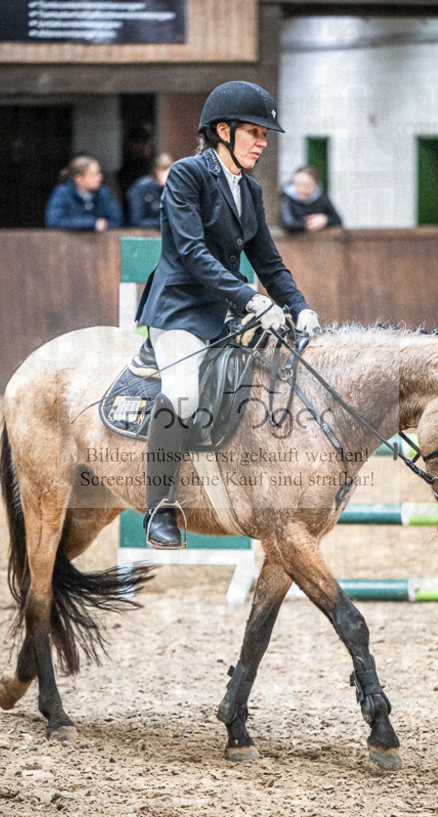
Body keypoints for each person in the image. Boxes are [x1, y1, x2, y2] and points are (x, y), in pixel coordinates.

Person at [135, 80, 321, 549]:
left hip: (226, 314)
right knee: (181, 395)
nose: (263, 142)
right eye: (255, 133)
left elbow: (269, 262)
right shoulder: (186, 174)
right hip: (179, 310)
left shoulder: (250, 191)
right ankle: (160, 507)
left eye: (265, 135)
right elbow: (193, 252)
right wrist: (252, 300)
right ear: (223, 130)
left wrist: (300, 308)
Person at [45, 155, 122, 231]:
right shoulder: (62, 193)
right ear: (78, 179)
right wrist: (92, 223)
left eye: (99, 173)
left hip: (100, 241)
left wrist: (103, 225)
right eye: (93, 175)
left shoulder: (105, 193)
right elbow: (54, 222)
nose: (99, 177)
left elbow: (116, 221)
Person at [280, 165, 342, 233]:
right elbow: (288, 223)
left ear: (315, 185)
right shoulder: (286, 198)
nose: (302, 189)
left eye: (307, 185)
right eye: (298, 184)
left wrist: (325, 219)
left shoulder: (321, 197)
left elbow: (337, 220)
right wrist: (311, 224)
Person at [127, 153, 174, 229]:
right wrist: (164, 222)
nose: (169, 176)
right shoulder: (141, 188)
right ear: (157, 172)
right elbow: (136, 220)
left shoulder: (175, 190)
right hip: (143, 233)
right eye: (164, 171)